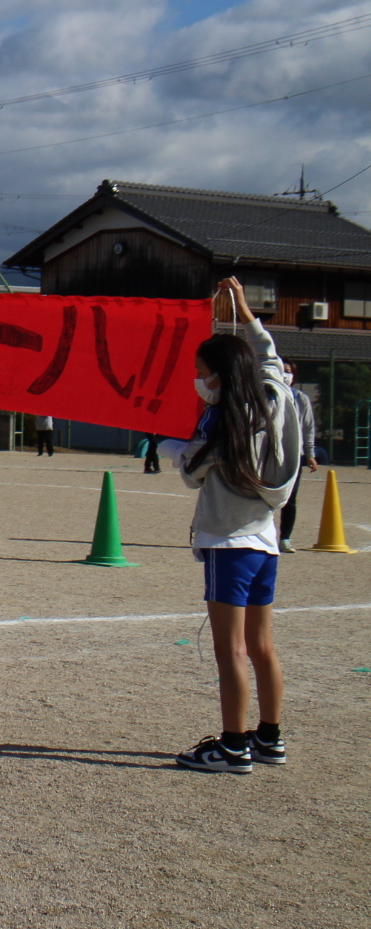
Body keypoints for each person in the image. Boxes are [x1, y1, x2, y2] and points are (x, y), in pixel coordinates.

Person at [169, 277, 300, 774]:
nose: (200, 381)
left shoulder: (226, 424)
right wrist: (245, 313)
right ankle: (270, 737)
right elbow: (267, 353)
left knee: (232, 650)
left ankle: (232, 744)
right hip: (265, 539)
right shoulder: (274, 395)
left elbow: (192, 470)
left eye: (204, 373)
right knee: (264, 646)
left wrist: (173, 450)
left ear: (221, 376)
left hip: (228, 542)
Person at [274, 362, 319, 553]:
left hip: (294, 455)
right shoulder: (268, 395)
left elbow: (308, 428)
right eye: (282, 371)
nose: (285, 375)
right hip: (271, 452)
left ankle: (285, 538)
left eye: (289, 372)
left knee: (290, 498)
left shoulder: (301, 399)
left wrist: (310, 454)